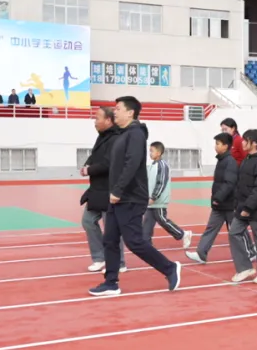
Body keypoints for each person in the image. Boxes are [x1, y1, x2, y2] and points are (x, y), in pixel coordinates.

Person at [88, 96, 182, 297]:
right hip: (118, 198)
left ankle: (169, 268)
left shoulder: (136, 134)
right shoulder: (122, 134)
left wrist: (118, 190)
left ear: (130, 113)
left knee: (134, 242)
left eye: (118, 108)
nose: (114, 111)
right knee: (110, 240)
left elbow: (131, 164)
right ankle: (111, 283)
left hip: (130, 198)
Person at [80, 106, 125, 273]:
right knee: (88, 221)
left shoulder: (116, 139)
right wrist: (87, 164)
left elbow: (109, 163)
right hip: (97, 190)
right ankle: (99, 258)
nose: (95, 121)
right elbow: (96, 156)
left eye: (97, 118)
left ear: (108, 120)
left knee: (111, 228)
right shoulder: (102, 137)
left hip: (110, 190)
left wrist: (89, 170)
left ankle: (119, 262)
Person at [184, 133, 239, 264]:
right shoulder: (221, 160)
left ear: (225, 146)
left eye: (218, 144)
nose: (215, 146)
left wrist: (218, 197)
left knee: (236, 231)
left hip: (229, 204)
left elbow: (229, 183)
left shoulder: (230, 162)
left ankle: (251, 252)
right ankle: (201, 253)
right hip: (219, 204)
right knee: (211, 228)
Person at [229, 129, 257, 283]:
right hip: (243, 207)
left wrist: (248, 207)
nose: (242, 143)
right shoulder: (247, 159)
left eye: (245, 140)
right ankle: (244, 268)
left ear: (254, 143)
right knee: (234, 232)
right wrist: (239, 204)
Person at [143, 141, 192, 249]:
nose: (150, 153)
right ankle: (146, 243)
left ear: (159, 152)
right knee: (147, 222)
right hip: (151, 202)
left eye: (152, 151)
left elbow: (161, 182)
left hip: (158, 201)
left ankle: (183, 234)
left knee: (162, 220)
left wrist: (154, 196)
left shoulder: (162, 165)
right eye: (149, 151)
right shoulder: (152, 165)